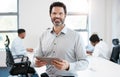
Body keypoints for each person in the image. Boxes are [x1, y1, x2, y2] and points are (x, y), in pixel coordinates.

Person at [34, 2, 88, 77]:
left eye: (60, 13)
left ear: (65, 15)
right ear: (50, 15)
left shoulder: (76, 36)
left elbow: (85, 62)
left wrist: (68, 66)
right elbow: (36, 57)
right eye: (54, 13)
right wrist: (36, 63)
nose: (57, 16)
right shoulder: (43, 35)